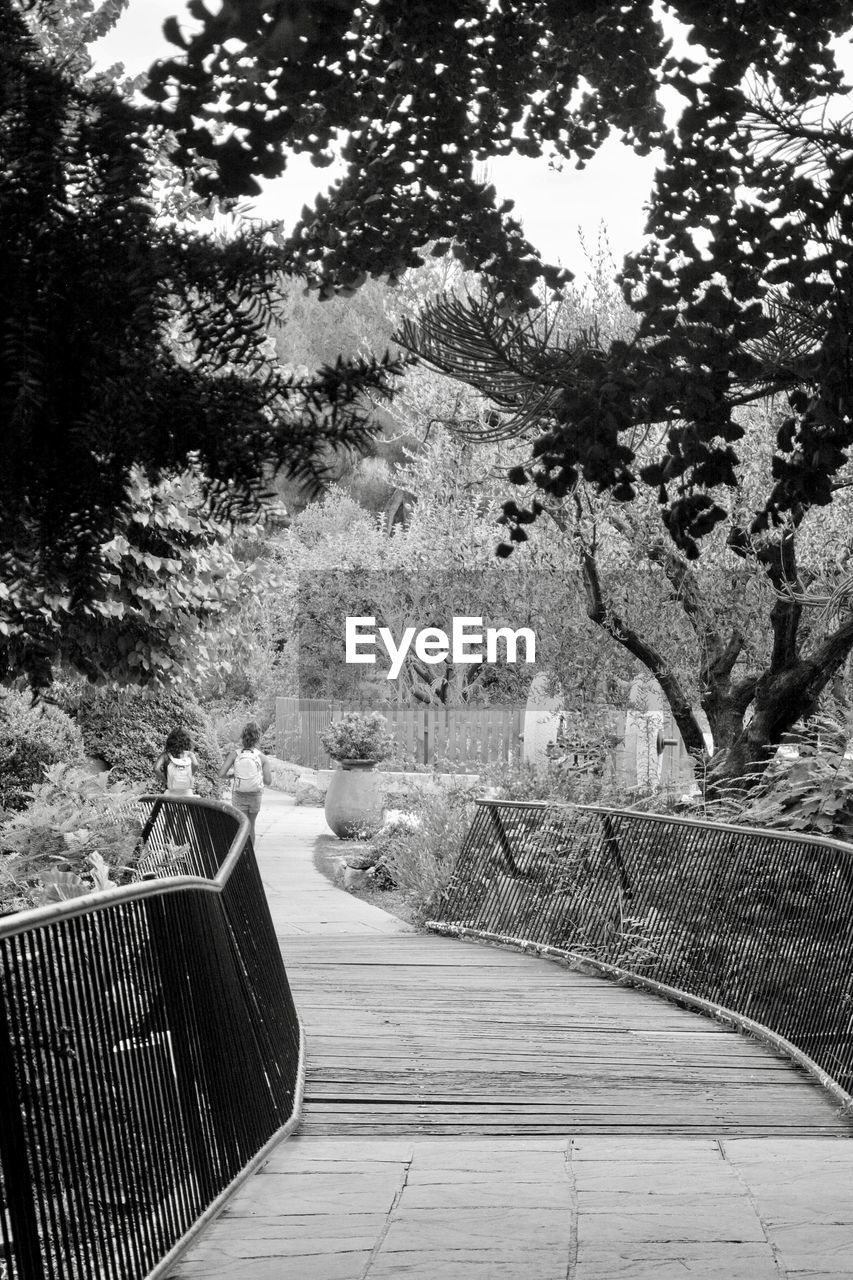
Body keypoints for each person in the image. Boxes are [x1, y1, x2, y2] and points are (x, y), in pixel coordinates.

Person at [220, 721, 273, 845]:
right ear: (258, 738)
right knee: (250, 826)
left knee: (240, 826)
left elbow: (221, 774)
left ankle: (240, 855)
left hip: (239, 794)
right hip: (255, 795)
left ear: (243, 737)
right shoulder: (262, 758)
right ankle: (251, 857)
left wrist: (233, 776)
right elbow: (268, 781)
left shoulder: (235, 755)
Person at [154, 727, 199, 796]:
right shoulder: (190, 754)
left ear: (170, 741)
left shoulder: (165, 755)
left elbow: (156, 768)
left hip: (170, 794)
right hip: (187, 794)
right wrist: (189, 775)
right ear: (186, 742)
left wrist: (166, 781)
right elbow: (196, 765)